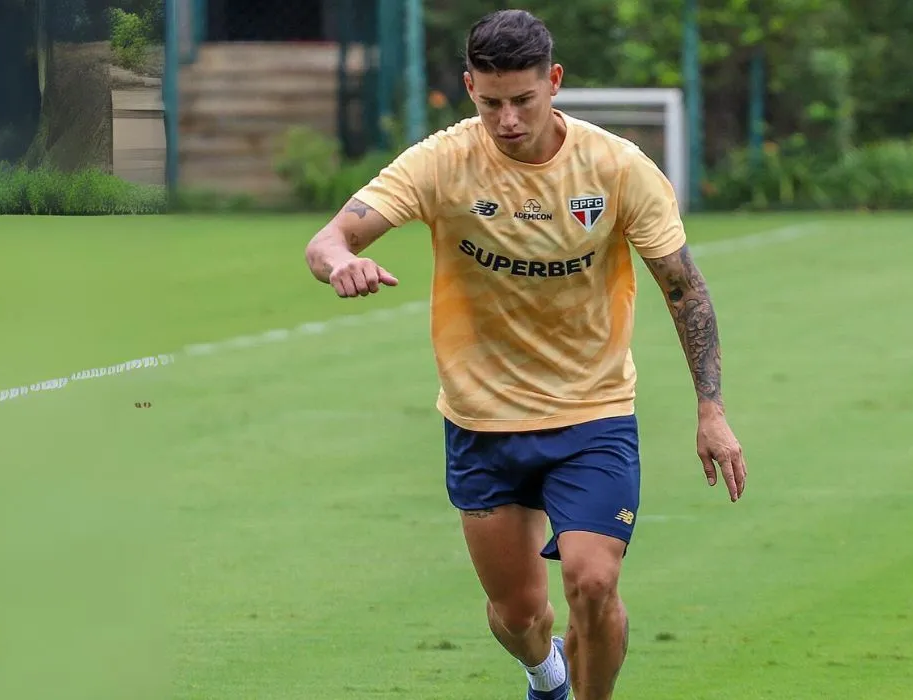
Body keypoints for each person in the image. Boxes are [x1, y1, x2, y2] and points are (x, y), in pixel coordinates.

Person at [304, 9, 746, 699]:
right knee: (519, 616)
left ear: (555, 82)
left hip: (591, 414)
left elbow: (684, 288)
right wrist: (339, 264)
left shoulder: (617, 168)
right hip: (482, 422)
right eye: (490, 103)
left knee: (592, 583)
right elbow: (330, 238)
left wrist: (711, 409)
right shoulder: (443, 160)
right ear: (468, 88)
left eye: (522, 101)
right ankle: (546, 677)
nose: (507, 120)